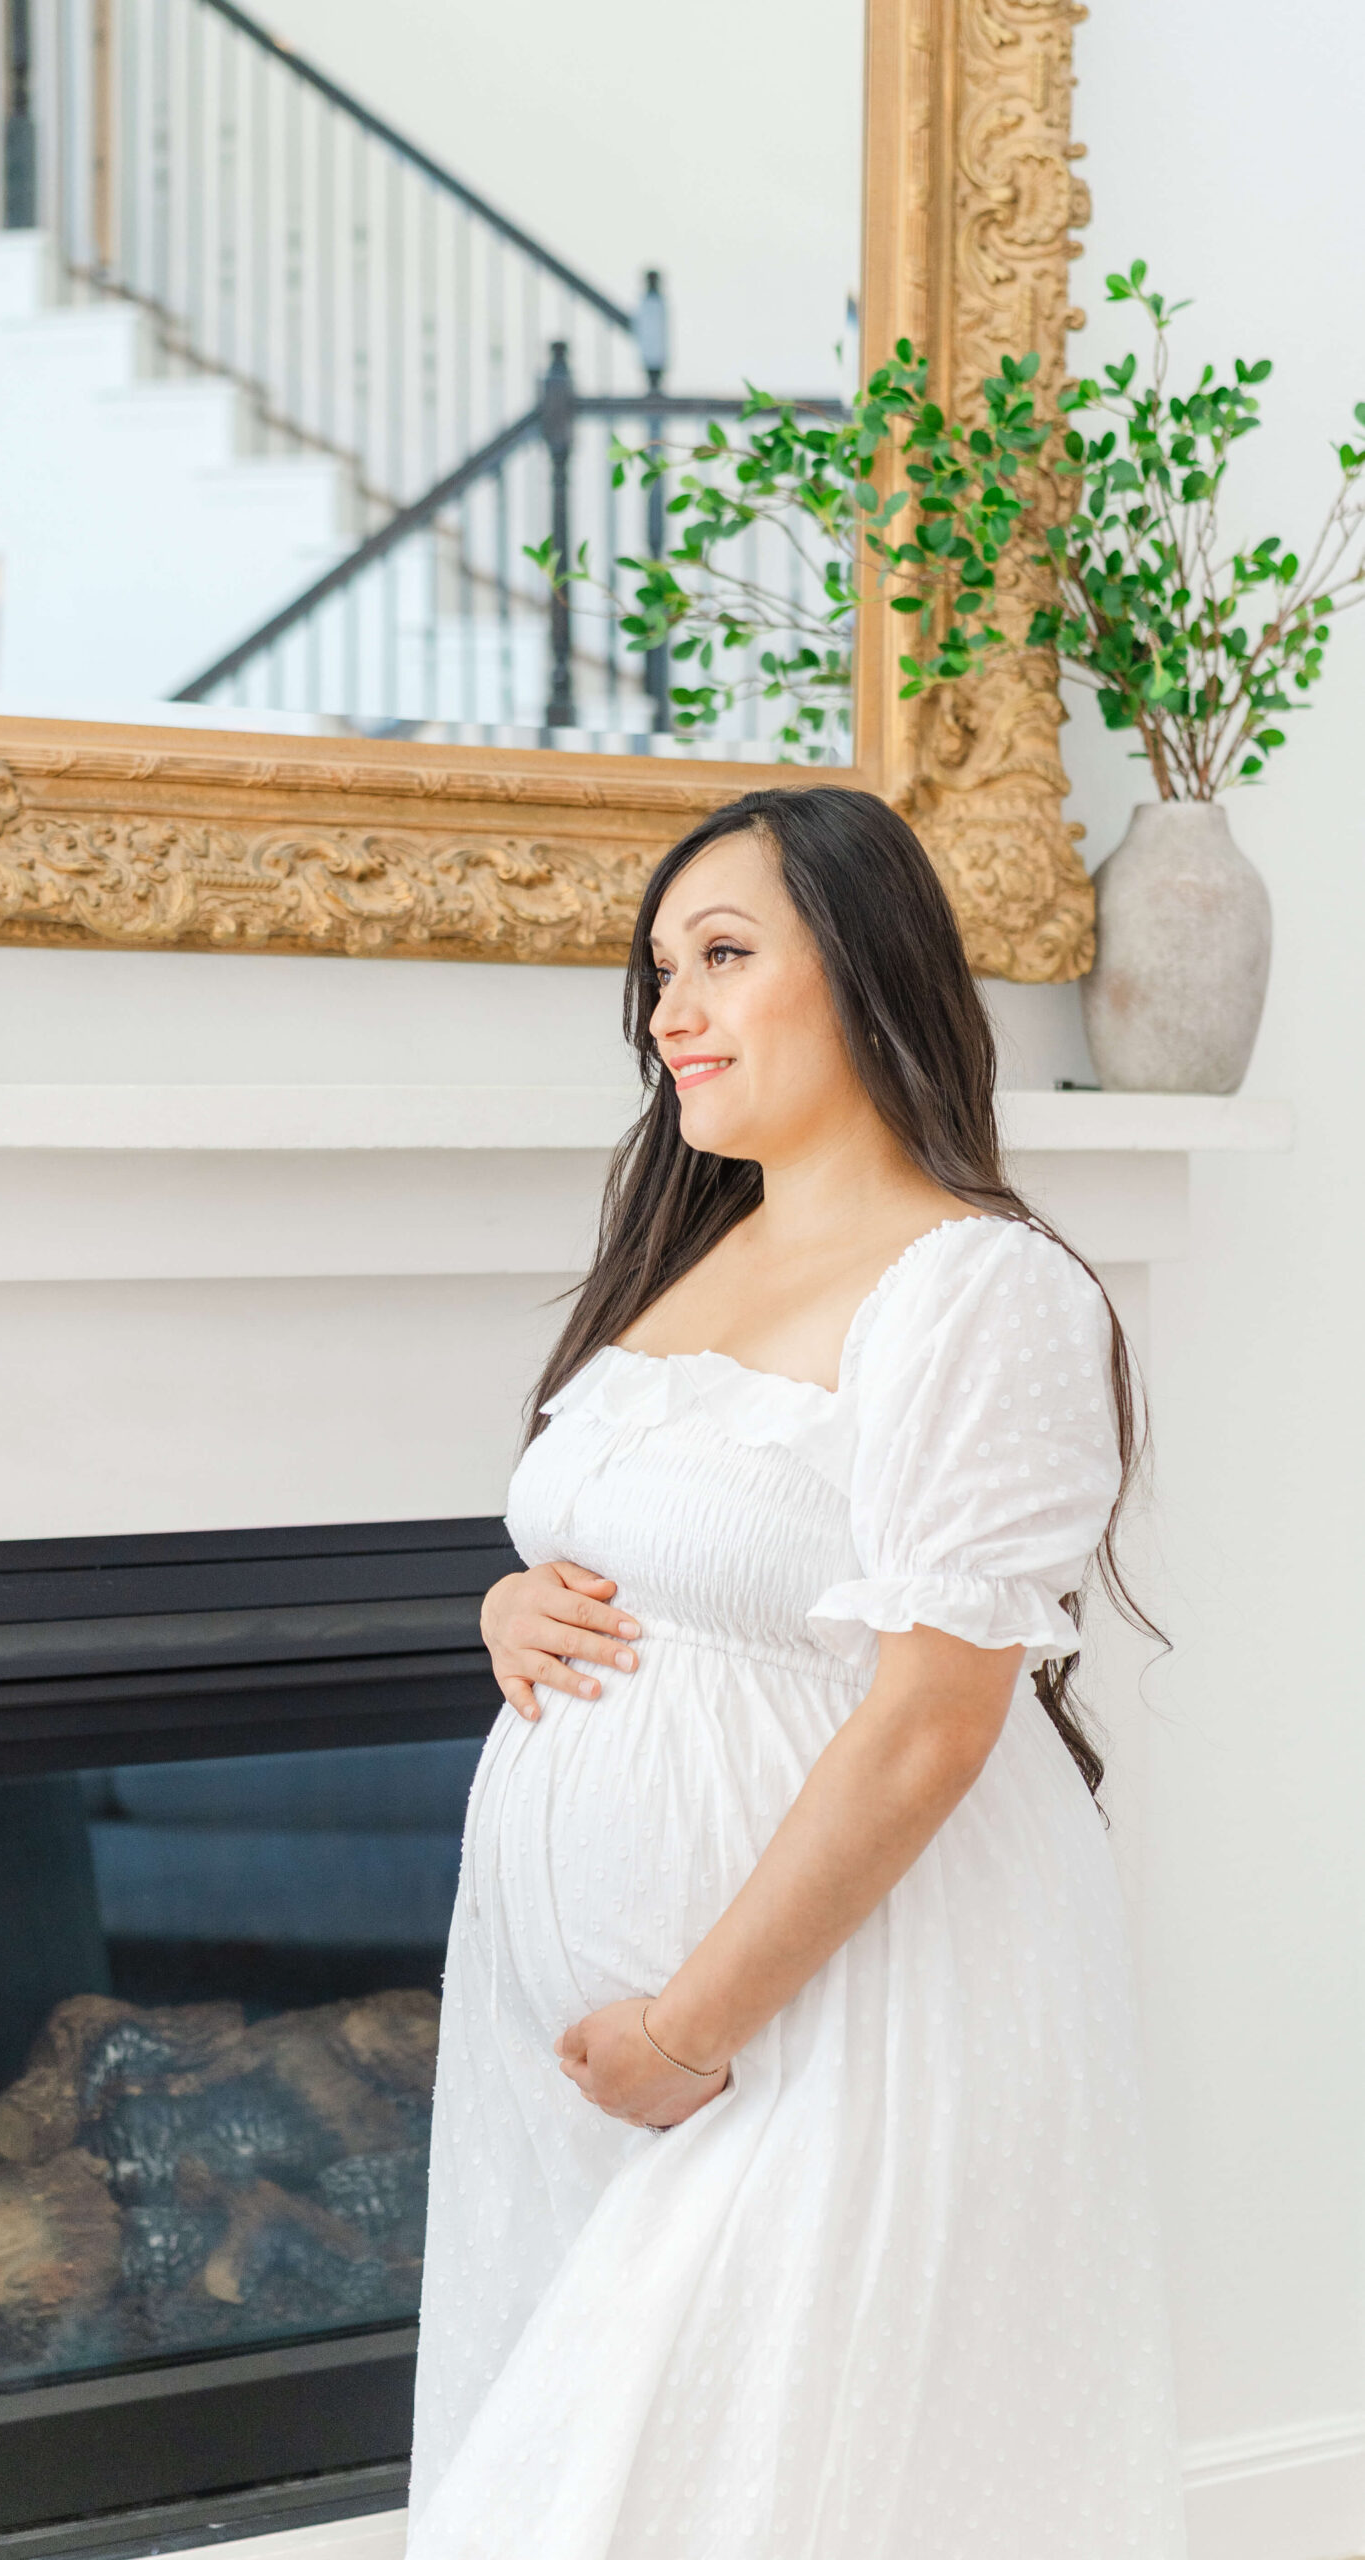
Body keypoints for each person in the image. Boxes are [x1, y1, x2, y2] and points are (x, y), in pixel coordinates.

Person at [405, 788, 1184, 2560]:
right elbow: (668, 1553)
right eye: (661, 968)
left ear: (869, 964)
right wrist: (505, 1611)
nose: (671, 1007)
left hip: (829, 2018)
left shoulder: (977, 1290)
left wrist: (691, 2028)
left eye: (727, 955)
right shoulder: (691, 1252)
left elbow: (930, 1721)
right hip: (611, 2057)